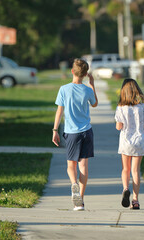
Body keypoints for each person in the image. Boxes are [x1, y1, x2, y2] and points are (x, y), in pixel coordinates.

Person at [52, 58, 98, 211]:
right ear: (85, 74)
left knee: (71, 165)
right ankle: (81, 201)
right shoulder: (87, 90)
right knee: (83, 166)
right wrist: (92, 84)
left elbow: (60, 111)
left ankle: (73, 184)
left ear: (72, 71)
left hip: (71, 133)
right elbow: (95, 103)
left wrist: (55, 130)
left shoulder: (64, 89)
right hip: (86, 132)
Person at [114, 78, 144, 210]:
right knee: (136, 171)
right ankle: (135, 200)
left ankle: (125, 188)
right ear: (137, 91)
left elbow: (119, 127)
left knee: (126, 169)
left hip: (126, 142)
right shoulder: (142, 108)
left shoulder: (121, 108)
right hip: (140, 141)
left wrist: (119, 122)